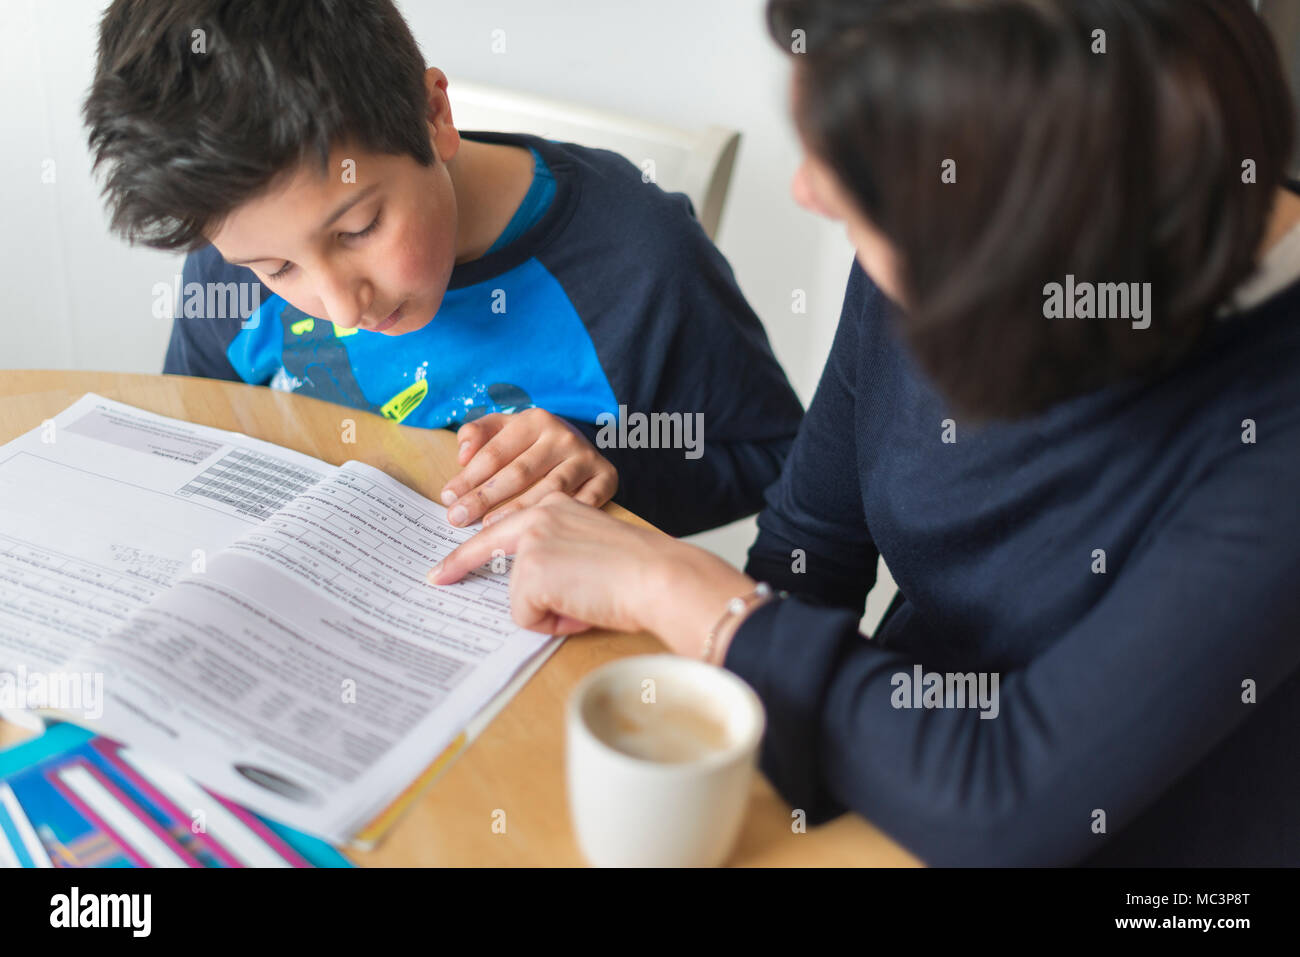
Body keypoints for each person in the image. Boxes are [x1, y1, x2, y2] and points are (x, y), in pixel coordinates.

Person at [429, 0, 1300, 866]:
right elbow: (812, 545)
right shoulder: (943, 237)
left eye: (861, 178)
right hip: (894, 774)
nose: (810, 188)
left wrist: (684, 593)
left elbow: (1007, 800)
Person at [81, 0, 804, 538]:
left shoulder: (640, 259)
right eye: (276, 268)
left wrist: (607, 466)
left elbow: (775, 459)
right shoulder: (229, 251)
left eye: (359, 228)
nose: (337, 306)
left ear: (434, 115)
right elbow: (191, 441)